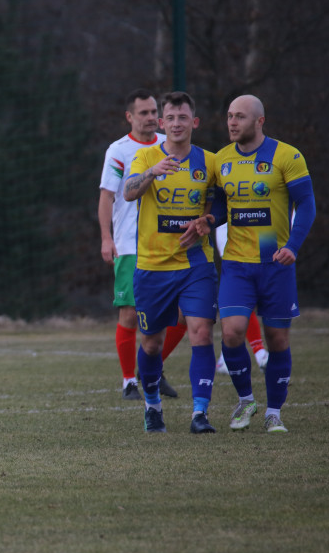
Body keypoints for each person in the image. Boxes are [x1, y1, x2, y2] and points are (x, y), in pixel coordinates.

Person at [197, 95, 315, 433]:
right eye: (229, 116)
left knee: (277, 339)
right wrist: (210, 220)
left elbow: (306, 205)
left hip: (274, 259)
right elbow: (221, 207)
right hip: (236, 260)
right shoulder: (222, 159)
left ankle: (274, 412)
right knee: (232, 331)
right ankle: (246, 400)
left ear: (259, 121)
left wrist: (292, 246)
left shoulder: (286, 155)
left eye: (240, 117)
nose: (232, 122)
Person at [123, 91, 218, 434]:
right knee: (151, 343)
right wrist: (153, 172)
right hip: (153, 266)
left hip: (196, 264)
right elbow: (129, 192)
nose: (177, 124)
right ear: (162, 123)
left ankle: (200, 414)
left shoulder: (210, 162)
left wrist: (207, 221)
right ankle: (152, 406)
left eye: (183, 117)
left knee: (201, 332)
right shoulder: (146, 156)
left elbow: (222, 203)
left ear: (194, 122)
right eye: (171, 118)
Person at [98, 89, 183, 401]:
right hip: (130, 245)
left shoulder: (168, 146)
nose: (150, 117)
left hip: (169, 244)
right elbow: (107, 196)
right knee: (131, 315)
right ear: (129, 117)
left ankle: (152, 369)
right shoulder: (119, 150)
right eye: (143, 113)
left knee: (183, 315)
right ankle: (128, 382)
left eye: (153, 112)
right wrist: (107, 237)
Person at [213, 223, 269, 375]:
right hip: (234, 236)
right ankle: (259, 353)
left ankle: (226, 358)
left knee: (248, 297)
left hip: (263, 232)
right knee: (240, 297)